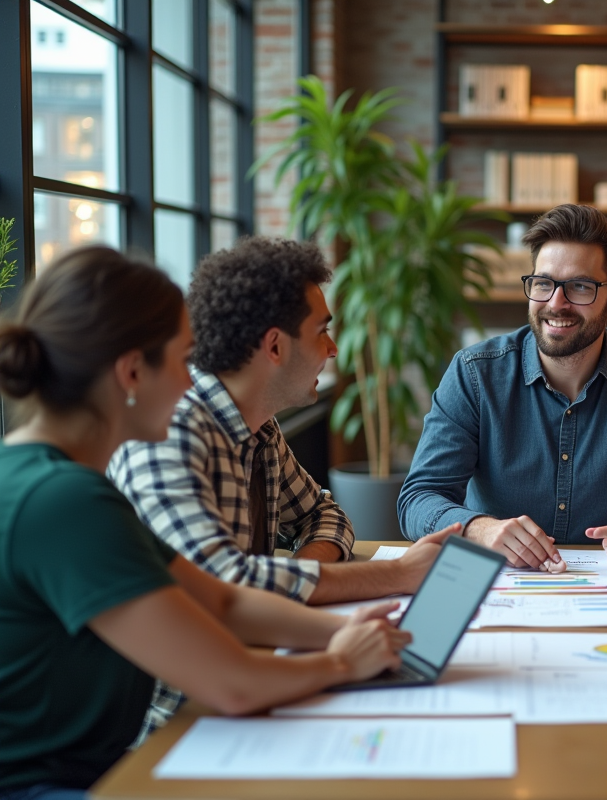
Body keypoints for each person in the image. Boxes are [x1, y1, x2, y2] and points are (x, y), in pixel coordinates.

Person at [0, 248, 408, 800]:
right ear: (131, 373)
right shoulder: (64, 501)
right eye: (183, 358)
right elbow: (233, 684)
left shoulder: (67, 485)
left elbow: (220, 600)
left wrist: (351, 631)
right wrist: (341, 661)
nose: (193, 377)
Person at [108, 236, 456, 738]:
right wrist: (395, 575)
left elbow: (326, 516)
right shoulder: (171, 434)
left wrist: (292, 578)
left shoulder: (258, 426)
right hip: (178, 722)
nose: (334, 350)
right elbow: (223, 586)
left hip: (260, 675)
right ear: (274, 346)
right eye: (322, 332)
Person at [397, 203, 607, 568]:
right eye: (543, 284)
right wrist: (479, 529)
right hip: (495, 582)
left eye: (580, 287)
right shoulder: (475, 374)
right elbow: (419, 498)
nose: (555, 304)